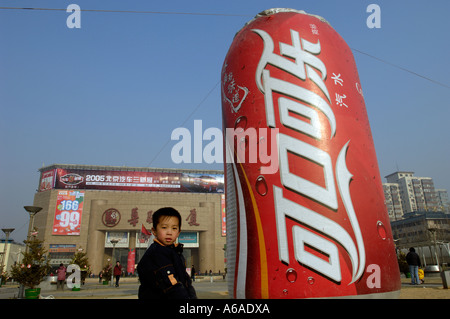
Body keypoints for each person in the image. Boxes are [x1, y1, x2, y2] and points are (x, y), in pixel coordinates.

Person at [137, 207, 197, 299]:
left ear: (178, 232)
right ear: (154, 231)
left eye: (174, 228)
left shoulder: (174, 252)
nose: (169, 232)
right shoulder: (156, 254)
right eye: (164, 227)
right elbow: (171, 286)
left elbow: (186, 281)